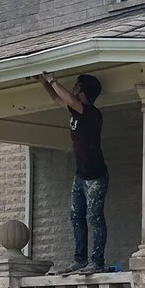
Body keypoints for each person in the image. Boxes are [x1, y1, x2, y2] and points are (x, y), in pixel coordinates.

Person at [37, 71, 110, 272]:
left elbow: (68, 98)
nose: (74, 89)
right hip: (80, 175)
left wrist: (53, 79)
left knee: (95, 217)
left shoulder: (91, 113)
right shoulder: (75, 110)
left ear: (83, 91)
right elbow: (57, 98)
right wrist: (44, 83)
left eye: (77, 87)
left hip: (96, 176)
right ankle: (80, 259)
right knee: (76, 216)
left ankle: (97, 262)